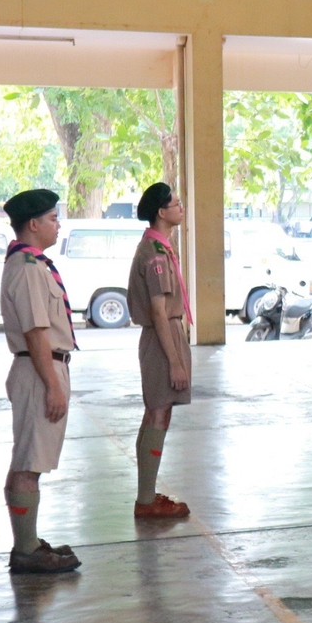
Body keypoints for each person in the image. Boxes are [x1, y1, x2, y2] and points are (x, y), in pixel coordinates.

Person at [0, 189, 80, 574]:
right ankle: (26, 550)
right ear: (33, 224)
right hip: (39, 370)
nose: (57, 225)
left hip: (41, 367)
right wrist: (53, 385)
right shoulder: (29, 267)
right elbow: (35, 332)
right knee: (29, 463)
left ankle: (28, 542)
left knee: (29, 459)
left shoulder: (32, 264)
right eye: (52, 219)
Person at [128, 182, 194, 520]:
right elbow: (157, 310)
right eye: (176, 204)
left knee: (158, 413)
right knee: (157, 413)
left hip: (167, 331)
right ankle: (146, 499)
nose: (180, 208)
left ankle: (148, 494)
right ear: (161, 212)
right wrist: (175, 362)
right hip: (161, 335)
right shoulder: (154, 253)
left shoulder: (162, 248)